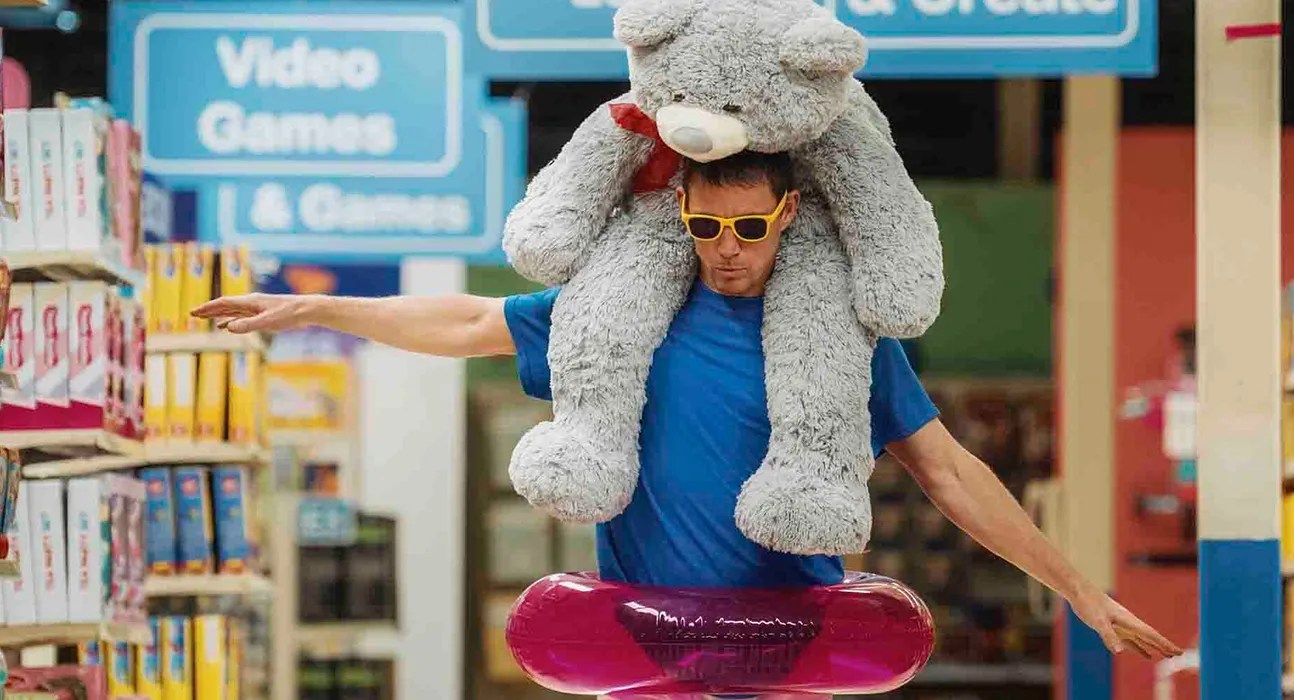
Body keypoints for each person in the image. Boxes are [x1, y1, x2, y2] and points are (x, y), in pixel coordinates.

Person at [192, 150, 1182, 661]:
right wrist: (319, 307)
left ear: (789, 214)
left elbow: (951, 474)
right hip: (642, 642)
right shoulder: (620, 315)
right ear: (683, 214)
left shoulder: (840, 340)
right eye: (707, 226)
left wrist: (1078, 591)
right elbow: (467, 321)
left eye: (749, 226)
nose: (727, 248)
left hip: (792, 645)